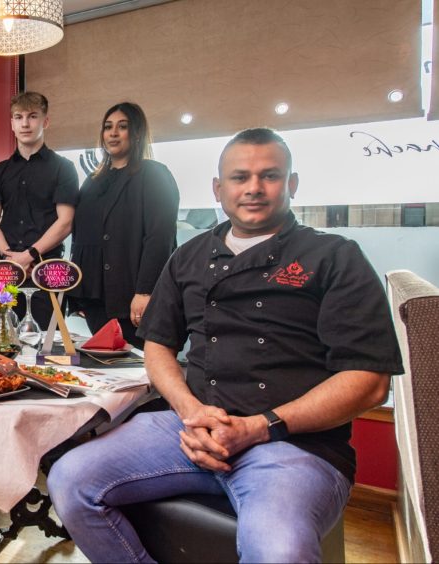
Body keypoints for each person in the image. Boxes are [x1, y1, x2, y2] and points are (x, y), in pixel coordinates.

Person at [47, 128, 404, 562]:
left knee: (280, 551)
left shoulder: (333, 256)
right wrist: (189, 410)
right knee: (69, 480)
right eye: (239, 177)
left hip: (292, 445)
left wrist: (259, 426)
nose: (253, 188)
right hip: (189, 427)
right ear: (219, 189)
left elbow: (368, 381)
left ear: (291, 185)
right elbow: (158, 344)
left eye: (269, 176)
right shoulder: (189, 255)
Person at [67, 102, 179, 350]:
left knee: (138, 370)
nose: (113, 133)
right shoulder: (94, 180)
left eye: (122, 126)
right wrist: (78, 296)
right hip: (95, 298)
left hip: (133, 295)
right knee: (105, 367)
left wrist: (145, 292)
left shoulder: (154, 174)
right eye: (108, 127)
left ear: (137, 132)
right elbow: (82, 237)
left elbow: (160, 237)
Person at [0, 91, 78, 328]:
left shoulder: (63, 168)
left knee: (46, 345)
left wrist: (29, 255)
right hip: (7, 271)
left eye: (32, 116)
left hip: (48, 270)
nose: (25, 123)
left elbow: (65, 221)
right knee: (5, 341)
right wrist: (9, 257)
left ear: (45, 121)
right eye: (19, 117)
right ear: (12, 124)